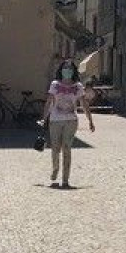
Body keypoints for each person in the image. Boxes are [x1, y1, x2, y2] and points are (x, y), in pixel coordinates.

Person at [43, 60, 94, 189]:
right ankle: (55, 169)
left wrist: (90, 120)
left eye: (70, 68)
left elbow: (84, 103)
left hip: (71, 120)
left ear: (73, 71)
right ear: (61, 70)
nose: (67, 70)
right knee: (55, 148)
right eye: (65, 68)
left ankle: (65, 179)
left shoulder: (78, 86)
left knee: (67, 148)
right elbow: (49, 101)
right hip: (55, 120)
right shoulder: (55, 84)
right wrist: (44, 118)